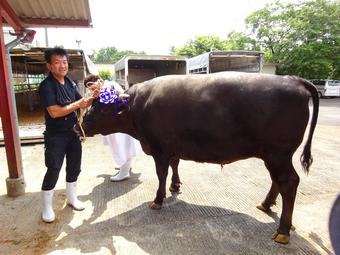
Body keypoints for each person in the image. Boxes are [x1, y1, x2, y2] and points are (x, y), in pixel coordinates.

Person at [38, 47, 98, 223]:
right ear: (49, 66)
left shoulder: (70, 82)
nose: (62, 65)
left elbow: (83, 103)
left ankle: (72, 199)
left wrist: (94, 93)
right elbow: (54, 112)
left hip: (73, 133)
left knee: (74, 167)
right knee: (54, 169)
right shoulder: (46, 86)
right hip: (55, 136)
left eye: (64, 62)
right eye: (57, 62)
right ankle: (47, 207)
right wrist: (78, 104)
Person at [84, 74, 142, 182]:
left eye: (93, 87)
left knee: (123, 146)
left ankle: (124, 171)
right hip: (110, 125)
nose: (92, 90)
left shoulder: (111, 85)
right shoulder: (98, 90)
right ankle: (124, 166)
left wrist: (101, 95)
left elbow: (122, 100)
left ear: (99, 81)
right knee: (120, 146)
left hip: (118, 122)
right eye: (90, 89)